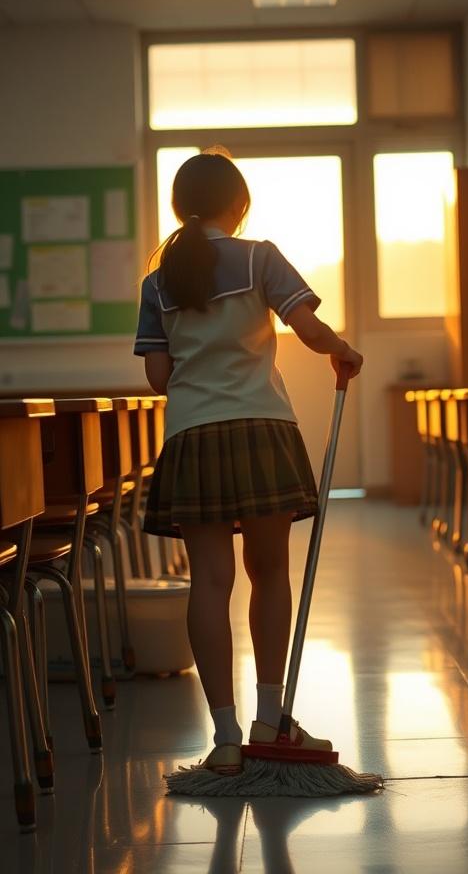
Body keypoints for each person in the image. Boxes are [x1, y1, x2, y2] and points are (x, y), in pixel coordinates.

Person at [134, 150, 363, 775]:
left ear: (182, 207)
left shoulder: (158, 283)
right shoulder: (260, 255)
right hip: (262, 430)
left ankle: (228, 737)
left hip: (193, 438)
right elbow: (308, 329)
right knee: (269, 574)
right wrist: (343, 352)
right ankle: (271, 717)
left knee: (209, 581)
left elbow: (158, 375)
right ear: (239, 205)